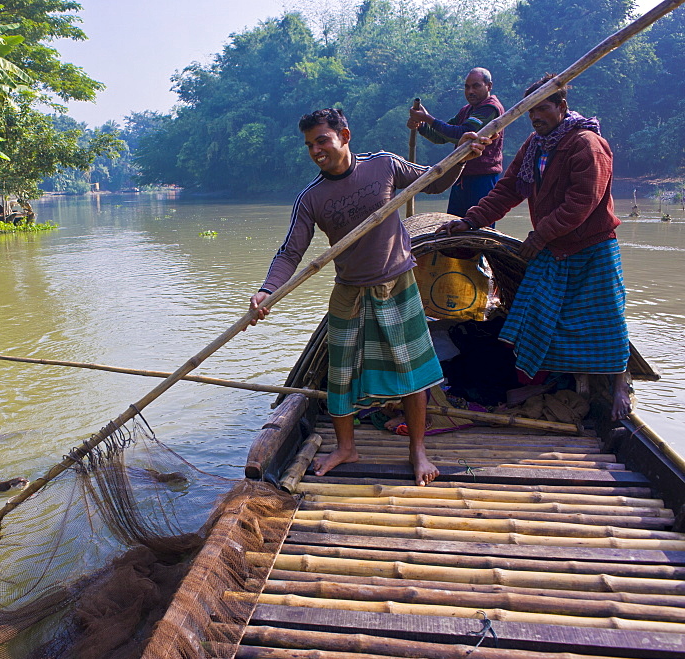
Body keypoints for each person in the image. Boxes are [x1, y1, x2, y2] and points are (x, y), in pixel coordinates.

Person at [248, 108, 490, 485]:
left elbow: (435, 182)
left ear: (344, 135)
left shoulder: (384, 166)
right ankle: (346, 447)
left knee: (413, 374)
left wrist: (461, 156)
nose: (316, 150)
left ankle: (418, 451)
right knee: (340, 377)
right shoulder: (312, 198)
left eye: (322, 140)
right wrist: (267, 291)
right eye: (310, 145)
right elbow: (290, 253)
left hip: (398, 283)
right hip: (351, 291)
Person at [439, 74, 633, 421]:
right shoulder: (536, 146)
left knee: (606, 322)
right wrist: (471, 220)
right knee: (538, 318)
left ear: (562, 106)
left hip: (592, 247)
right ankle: (565, 383)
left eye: (542, 109)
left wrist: (540, 235)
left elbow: (582, 202)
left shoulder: (586, 144)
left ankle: (620, 384)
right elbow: (508, 189)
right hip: (555, 248)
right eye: (530, 112)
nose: (535, 118)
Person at [408, 68, 505, 217]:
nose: (470, 91)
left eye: (476, 86)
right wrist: (421, 125)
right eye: (467, 87)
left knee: (479, 227)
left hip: (482, 177)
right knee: (454, 226)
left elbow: (463, 135)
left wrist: (427, 118)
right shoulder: (467, 110)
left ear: (489, 86)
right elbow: (440, 136)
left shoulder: (490, 108)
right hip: (460, 175)